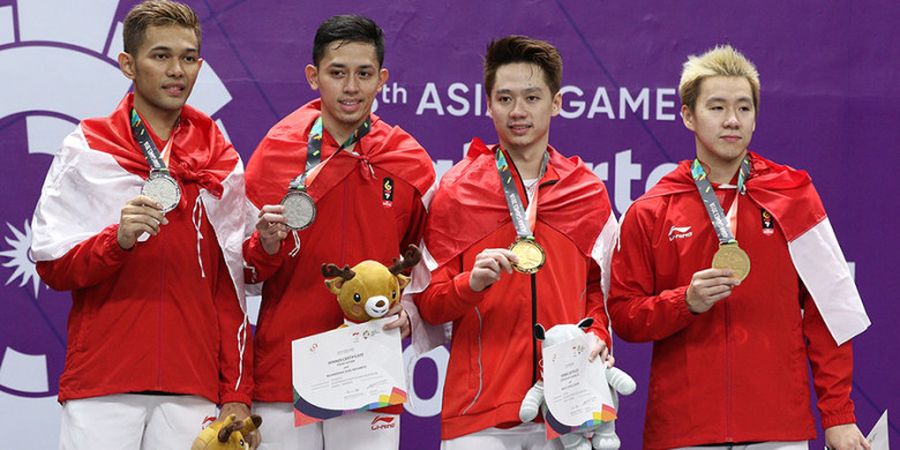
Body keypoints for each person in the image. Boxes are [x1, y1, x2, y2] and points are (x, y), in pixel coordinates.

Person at [607, 45, 871, 450]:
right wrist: (685, 303)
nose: (732, 120)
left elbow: (829, 312)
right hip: (684, 431)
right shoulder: (653, 209)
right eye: (717, 108)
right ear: (688, 116)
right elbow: (624, 315)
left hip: (778, 431)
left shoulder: (793, 197)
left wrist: (838, 415)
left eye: (744, 108)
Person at [30, 1, 254, 449]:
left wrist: (236, 393)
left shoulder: (219, 159)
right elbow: (54, 267)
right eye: (161, 56)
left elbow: (229, 291)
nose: (177, 70)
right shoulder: (90, 147)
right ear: (128, 65)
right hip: (103, 385)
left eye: (188, 57)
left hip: (191, 387)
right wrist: (118, 239)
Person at [412, 35, 618, 449]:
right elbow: (429, 304)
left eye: (532, 97)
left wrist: (598, 334)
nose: (518, 111)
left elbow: (600, 292)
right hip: (479, 415)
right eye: (505, 99)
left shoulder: (587, 191)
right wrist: (470, 284)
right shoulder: (456, 190)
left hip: (569, 408)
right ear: (488, 105)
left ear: (556, 103)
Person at [242, 14, 436, 450]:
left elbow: (427, 265)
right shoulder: (276, 152)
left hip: (370, 374)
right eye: (337, 73)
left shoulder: (409, 163)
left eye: (364, 73)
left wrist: (411, 313)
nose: (351, 87)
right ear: (314, 76)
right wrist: (266, 246)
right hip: (284, 372)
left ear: (382, 78)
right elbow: (244, 270)